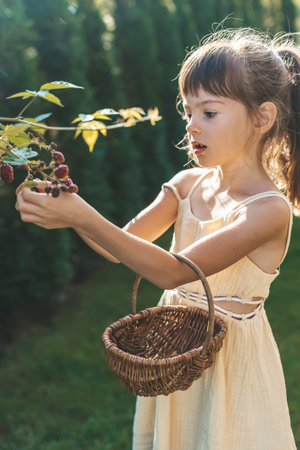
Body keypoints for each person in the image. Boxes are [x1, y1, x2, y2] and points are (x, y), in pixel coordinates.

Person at [15, 28, 298, 449]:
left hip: (230, 363)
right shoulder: (186, 185)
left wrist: (83, 216)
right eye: (188, 111)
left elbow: (172, 273)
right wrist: (67, 212)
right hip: (176, 352)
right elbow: (120, 246)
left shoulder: (267, 210)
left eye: (209, 112)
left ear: (262, 118)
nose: (191, 124)